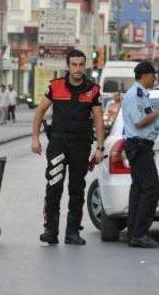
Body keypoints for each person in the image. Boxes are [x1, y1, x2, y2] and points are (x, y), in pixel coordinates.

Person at [31, 49, 104, 245]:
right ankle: (50, 231)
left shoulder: (93, 91)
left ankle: (72, 232)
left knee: (77, 189)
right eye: (74, 64)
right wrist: (35, 138)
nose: (78, 69)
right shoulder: (55, 87)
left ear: (85, 65)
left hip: (81, 146)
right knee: (54, 187)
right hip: (58, 144)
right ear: (68, 65)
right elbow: (39, 113)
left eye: (81, 65)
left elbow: (98, 120)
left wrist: (99, 148)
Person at [121, 61, 159, 248]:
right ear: (144, 75)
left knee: (139, 190)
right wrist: (158, 112)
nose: (155, 78)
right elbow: (139, 122)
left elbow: (147, 117)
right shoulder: (134, 95)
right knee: (151, 189)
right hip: (138, 146)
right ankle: (139, 233)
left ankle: (134, 231)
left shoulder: (142, 94)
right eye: (153, 75)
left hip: (143, 146)